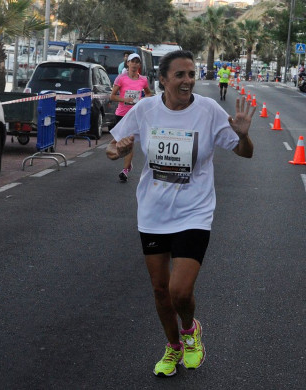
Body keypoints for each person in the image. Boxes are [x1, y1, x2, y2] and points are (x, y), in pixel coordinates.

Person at [106, 50, 255, 377]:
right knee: (160, 289)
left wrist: (243, 136)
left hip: (194, 211)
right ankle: (172, 347)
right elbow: (114, 147)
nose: (188, 81)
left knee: (179, 290)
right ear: (162, 79)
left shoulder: (208, 110)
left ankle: (189, 331)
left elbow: (245, 153)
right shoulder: (145, 110)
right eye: (181, 75)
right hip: (153, 211)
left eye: (191, 74)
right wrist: (117, 151)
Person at [110, 53, 152, 182]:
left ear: (139, 65)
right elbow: (112, 96)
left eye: (137, 62)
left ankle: (125, 170)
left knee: (129, 143)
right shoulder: (120, 78)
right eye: (132, 62)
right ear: (127, 63)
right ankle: (128, 164)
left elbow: (149, 94)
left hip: (135, 115)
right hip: (121, 114)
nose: (134, 64)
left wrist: (142, 100)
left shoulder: (143, 79)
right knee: (119, 143)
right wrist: (124, 99)